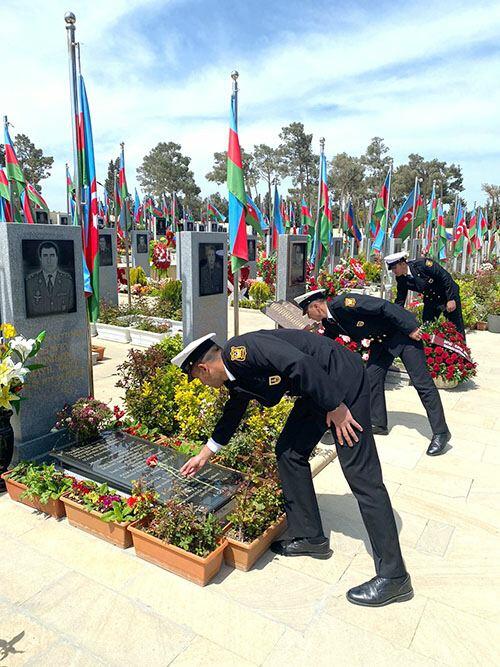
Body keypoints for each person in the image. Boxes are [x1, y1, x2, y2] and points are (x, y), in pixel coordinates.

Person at [172, 330, 413, 607]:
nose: (202, 384)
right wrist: (205, 454)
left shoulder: (241, 351)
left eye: (197, 378)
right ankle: (310, 536)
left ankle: (395, 577)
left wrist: (335, 406)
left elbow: (300, 363)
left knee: (362, 476)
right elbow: (234, 411)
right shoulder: (235, 376)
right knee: (289, 452)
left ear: (203, 368)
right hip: (316, 387)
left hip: (342, 380)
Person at [295, 289, 451, 456]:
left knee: (422, 384)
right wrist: (305, 348)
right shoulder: (329, 323)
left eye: (308, 313)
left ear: (317, 307)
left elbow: (383, 306)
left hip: (403, 335)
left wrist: (410, 327)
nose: (309, 317)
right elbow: (324, 345)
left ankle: (441, 432)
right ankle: (378, 422)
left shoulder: (343, 303)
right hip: (382, 341)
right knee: (372, 378)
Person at [385, 251, 465, 338]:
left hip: (446, 295)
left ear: (403, 264)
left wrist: (451, 299)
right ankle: (431, 346)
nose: (393, 271)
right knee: (427, 327)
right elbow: (401, 298)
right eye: (392, 269)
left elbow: (445, 277)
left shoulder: (422, 264)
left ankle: (461, 345)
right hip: (431, 298)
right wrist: (396, 314)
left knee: (456, 327)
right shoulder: (401, 278)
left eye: (395, 268)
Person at [25, 241, 75, 317]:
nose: (49, 260)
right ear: (40, 258)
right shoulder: (31, 282)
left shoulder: (67, 281)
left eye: (52, 255)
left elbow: (70, 306)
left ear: (57, 257)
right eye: (45, 256)